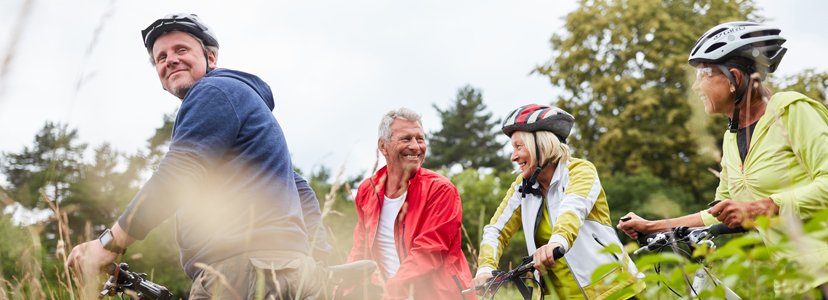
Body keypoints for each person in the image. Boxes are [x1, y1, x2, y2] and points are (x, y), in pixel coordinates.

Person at [65, 13, 330, 299]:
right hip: (291, 273)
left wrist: (108, 244)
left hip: (241, 273)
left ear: (211, 58)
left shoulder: (213, 91)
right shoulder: (240, 100)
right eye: (161, 57)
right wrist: (320, 265)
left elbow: (179, 172)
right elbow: (301, 190)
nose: (170, 60)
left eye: (181, 50)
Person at [617, 21, 828, 296]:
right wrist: (655, 226)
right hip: (792, 280)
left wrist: (765, 207)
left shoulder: (791, 111)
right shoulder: (732, 137)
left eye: (703, 74)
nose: (696, 86)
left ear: (735, 78)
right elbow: (721, 215)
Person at [473, 104, 644, 299]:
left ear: (542, 145)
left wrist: (556, 243)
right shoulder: (521, 188)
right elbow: (496, 230)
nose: (513, 156)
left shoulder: (580, 171)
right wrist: (485, 269)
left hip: (617, 291)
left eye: (519, 147)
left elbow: (573, 209)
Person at [346, 108, 474, 299]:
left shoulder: (440, 189)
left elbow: (429, 250)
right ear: (383, 146)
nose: (415, 146)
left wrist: (393, 288)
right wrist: (344, 288)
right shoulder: (367, 190)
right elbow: (361, 249)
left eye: (420, 139)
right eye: (406, 139)